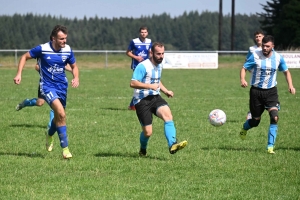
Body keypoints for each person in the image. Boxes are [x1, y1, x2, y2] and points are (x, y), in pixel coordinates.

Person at [13, 25, 80, 159]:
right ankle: (65, 149)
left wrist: (76, 77)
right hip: (47, 87)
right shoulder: (42, 48)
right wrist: (19, 73)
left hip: (62, 87)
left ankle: (49, 134)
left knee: (58, 117)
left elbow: (74, 66)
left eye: (65, 38)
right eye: (61, 39)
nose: (64, 41)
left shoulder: (67, 50)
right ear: (53, 38)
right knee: (60, 113)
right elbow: (24, 57)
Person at [239, 35, 296, 154]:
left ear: (272, 46)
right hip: (256, 92)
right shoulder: (255, 55)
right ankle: (245, 128)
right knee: (255, 121)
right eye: (264, 46)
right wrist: (242, 79)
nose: (265, 48)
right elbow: (244, 68)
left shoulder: (278, 58)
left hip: (271, 92)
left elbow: (286, 72)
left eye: (267, 46)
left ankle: (270, 147)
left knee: (274, 116)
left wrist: (290, 85)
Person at [130, 42, 187, 156]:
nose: (161, 56)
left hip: (155, 97)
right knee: (148, 133)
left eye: (162, 53)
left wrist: (165, 91)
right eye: (158, 54)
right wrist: (150, 86)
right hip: (142, 101)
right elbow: (133, 83)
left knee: (168, 116)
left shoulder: (160, 65)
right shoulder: (143, 66)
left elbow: (156, 81)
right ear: (151, 53)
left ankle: (172, 144)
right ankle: (143, 149)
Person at [16, 63, 73, 129]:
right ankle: (26, 102)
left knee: (57, 103)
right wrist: (46, 71)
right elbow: (37, 66)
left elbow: (64, 65)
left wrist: (72, 71)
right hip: (46, 82)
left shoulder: (61, 54)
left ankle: (51, 124)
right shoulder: (45, 53)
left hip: (58, 82)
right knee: (40, 103)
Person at [126, 26, 152, 110]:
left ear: (147, 33)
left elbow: (150, 52)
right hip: (136, 66)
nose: (143, 33)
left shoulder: (149, 41)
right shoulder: (134, 41)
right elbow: (128, 52)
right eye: (142, 32)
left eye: (145, 32)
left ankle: (134, 105)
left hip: (146, 66)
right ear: (139, 33)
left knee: (144, 84)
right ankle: (133, 105)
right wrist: (136, 57)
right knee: (138, 85)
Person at [245, 30, 265, 120]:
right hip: (255, 75)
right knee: (255, 94)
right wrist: (249, 69)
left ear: (263, 37)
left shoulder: (268, 48)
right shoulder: (252, 49)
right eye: (256, 36)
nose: (258, 38)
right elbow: (247, 61)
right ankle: (251, 112)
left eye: (259, 36)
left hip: (266, 75)